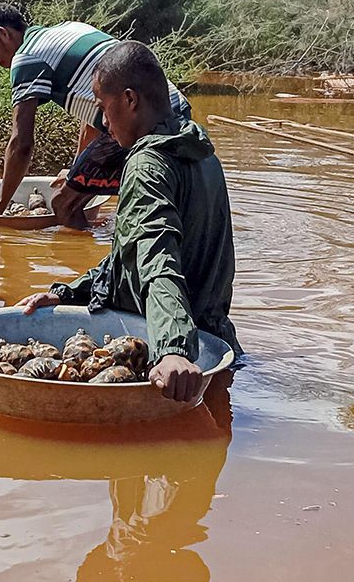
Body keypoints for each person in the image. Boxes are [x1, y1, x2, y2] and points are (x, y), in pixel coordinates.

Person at [15, 41, 238, 402]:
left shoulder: (147, 165)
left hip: (173, 372)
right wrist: (67, 292)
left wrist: (173, 350)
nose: (103, 121)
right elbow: (132, 256)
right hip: (216, 347)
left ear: (130, 100)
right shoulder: (199, 152)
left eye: (104, 106)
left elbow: (157, 261)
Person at [0, 3, 190, 229]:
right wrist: (76, 169)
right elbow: (93, 113)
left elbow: (21, 142)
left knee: (64, 204)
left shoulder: (26, 57)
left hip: (141, 122)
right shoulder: (69, 28)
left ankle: (91, 253)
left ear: (3, 34)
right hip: (175, 109)